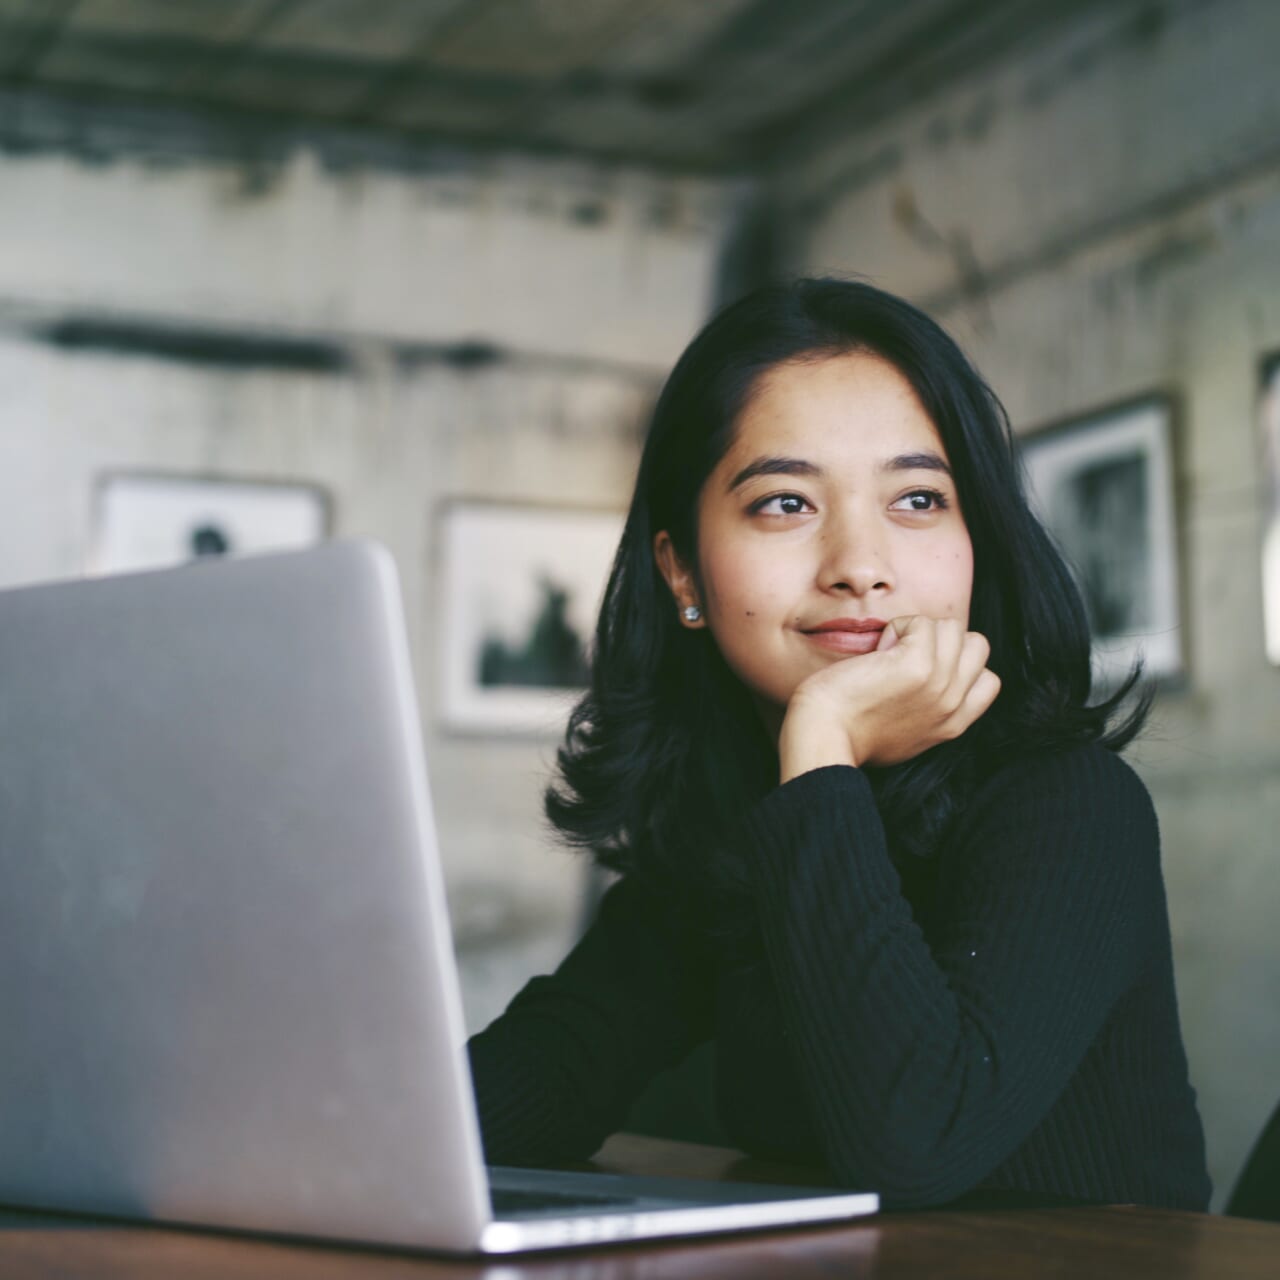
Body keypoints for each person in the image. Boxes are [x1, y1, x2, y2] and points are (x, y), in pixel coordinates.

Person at [467, 278, 1211, 1211]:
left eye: (918, 499)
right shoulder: (736, 822)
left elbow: (915, 1146)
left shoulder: (1071, 805)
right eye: (786, 503)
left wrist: (821, 744)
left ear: (977, 541)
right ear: (682, 571)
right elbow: (529, 1088)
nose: (860, 566)